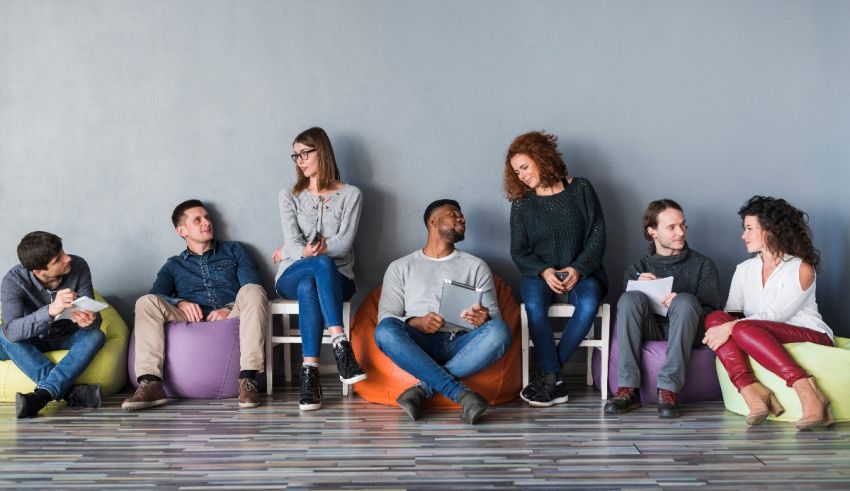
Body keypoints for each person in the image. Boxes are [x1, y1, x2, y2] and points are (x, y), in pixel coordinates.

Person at [374, 199, 512, 424]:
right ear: (433, 221)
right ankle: (462, 394)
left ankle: (422, 390)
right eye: (453, 214)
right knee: (385, 331)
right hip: (419, 343)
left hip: (463, 342)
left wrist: (483, 318)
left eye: (462, 215)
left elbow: (495, 318)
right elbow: (386, 315)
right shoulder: (400, 267)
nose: (462, 218)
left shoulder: (476, 265)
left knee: (500, 331)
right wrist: (416, 323)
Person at [703, 196, 834, 430]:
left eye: (750, 229)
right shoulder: (744, 270)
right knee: (715, 319)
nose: (744, 235)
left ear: (771, 230)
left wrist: (731, 327)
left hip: (811, 335)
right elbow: (731, 315)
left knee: (740, 327)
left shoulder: (801, 268)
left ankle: (809, 391)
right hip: (756, 333)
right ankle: (750, 389)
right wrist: (725, 325)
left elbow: (774, 315)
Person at [123, 199, 268, 411]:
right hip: (192, 317)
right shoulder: (174, 264)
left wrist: (227, 308)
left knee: (255, 291)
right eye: (197, 220)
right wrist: (179, 302)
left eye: (207, 217)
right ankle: (151, 383)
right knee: (146, 302)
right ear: (182, 230)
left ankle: (248, 379)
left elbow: (250, 285)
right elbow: (156, 295)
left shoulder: (235, 250)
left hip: (232, 312)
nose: (206, 223)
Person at [504, 130, 607, 407]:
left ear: (542, 158)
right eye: (517, 172)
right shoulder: (522, 204)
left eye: (524, 167)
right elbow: (519, 251)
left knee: (588, 302)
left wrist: (578, 269)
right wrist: (545, 271)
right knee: (534, 305)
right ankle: (555, 378)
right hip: (539, 274)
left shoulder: (581, 189)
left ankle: (549, 377)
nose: (522, 175)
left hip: (583, 270)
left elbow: (597, 236)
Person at [271, 127, 365, 411]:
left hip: (339, 277)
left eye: (305, 153)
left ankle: (309, 374)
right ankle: (340, 346)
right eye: (295, 155)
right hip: (292, 272)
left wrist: (297, 250)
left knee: (311, 282)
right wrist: (297, 251)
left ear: (321, 151)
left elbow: (344, 245)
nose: (300, 160)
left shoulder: (351, 195)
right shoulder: (289, 195)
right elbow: (293, 243)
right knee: (314, 268)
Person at [603, 199, 720, 418]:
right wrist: (640, 286)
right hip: (653, 329)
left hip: (689, 330)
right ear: (652, 231)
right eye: (671, 227)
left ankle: (668, 389)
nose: (681, 232)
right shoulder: (637, 269)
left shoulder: (704, 265)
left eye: (683, 225)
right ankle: (627, 389)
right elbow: (629, 316)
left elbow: (712, 312)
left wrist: (682, 301)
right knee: (629, 298)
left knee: (684, 301)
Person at [0, 232, 104, 418]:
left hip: (66, 335)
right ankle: (70, 393)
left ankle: (41, 397)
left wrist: (89, 321)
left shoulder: (79, 266)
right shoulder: (12, 281)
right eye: (58, 259)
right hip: (31, 339)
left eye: (63, 252)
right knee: (3, 335)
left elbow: (93, 320)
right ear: (39, 272)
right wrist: (50, 310)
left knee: (96, 336)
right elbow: (12, 331)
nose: (67, 258)